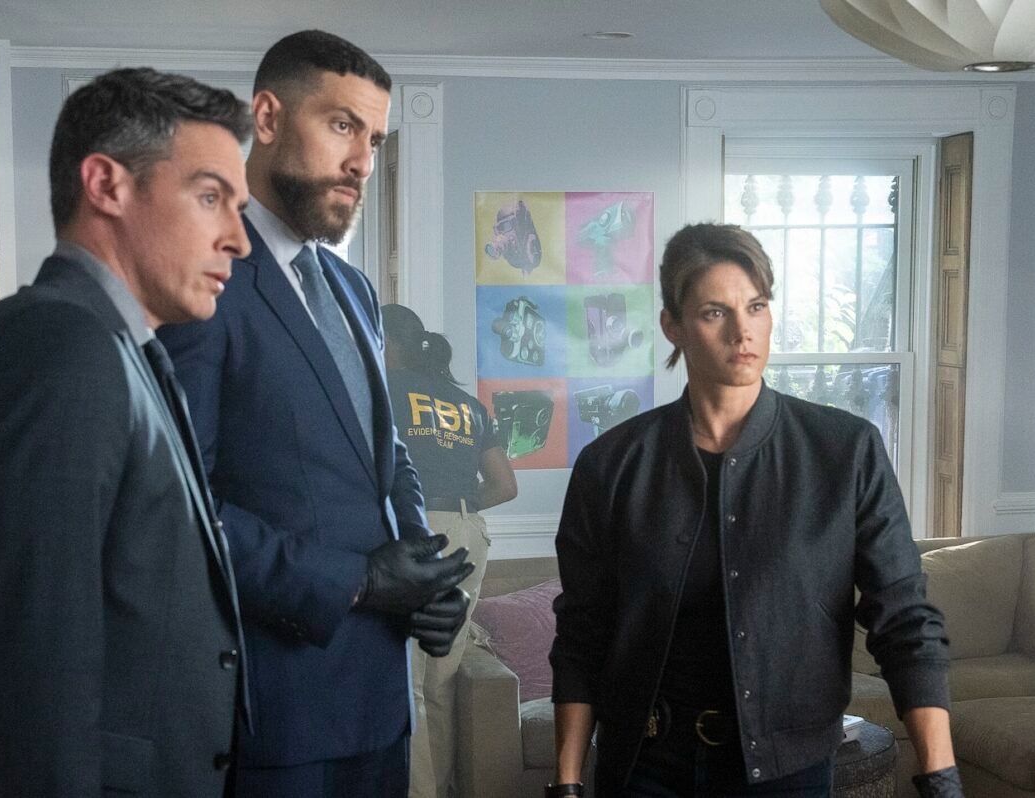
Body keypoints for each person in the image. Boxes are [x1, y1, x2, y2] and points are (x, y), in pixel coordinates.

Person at [156, 30, 472, 797]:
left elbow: (385, 454)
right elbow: (176, 510)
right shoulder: (204, 278)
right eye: (341, 125)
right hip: (278, 719)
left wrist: (423, 575)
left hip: (381, 708)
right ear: (267, 118)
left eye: (375, 139)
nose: (362, 160)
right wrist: (356, 581)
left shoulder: (353, 289)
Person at [0, 68, 254, 796]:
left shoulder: (118, 347)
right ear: (107, 185)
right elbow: (34, 674)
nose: (238, 239)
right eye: (210, 198)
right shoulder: (56, 346)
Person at [548, 223, 964, 798]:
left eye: (756, 306)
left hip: (788, 772)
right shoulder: (611, 465)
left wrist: (941, 780)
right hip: (645, 767)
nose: (742, 331)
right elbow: (582, 632)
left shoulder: (845, 452)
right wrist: (567, 784)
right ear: (673, 327)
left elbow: (905, 620)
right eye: (714, 313)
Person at [381, 303, 518, 798]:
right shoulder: (467, 404)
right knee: (440, 678)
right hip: (468, 532)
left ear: (385, 342)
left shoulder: (384, 389)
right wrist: (457, 505)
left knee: (410, 678)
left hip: (418, 531)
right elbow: (505, 485)